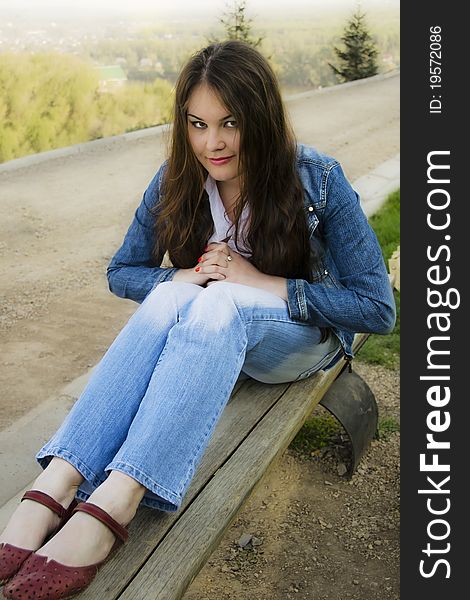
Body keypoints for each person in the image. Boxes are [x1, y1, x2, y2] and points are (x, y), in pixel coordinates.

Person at [0, 40, 396, 599]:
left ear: (259, 118)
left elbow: (377, 308)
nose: (213, 143)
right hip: (211, 334)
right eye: (198, 123)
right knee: (171, 298)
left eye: (230, 122)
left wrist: (255, 280)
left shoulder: (317, 178)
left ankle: (118, 499)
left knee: (216, 303)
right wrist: (183, 277)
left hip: (303, 341)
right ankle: (59, 480)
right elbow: (124, 272)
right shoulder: (178, 178)